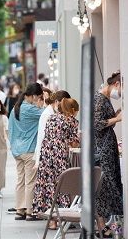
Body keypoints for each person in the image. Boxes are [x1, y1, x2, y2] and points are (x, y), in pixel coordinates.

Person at [32, 98, 80, 229]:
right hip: (59, 156)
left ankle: (51, 220)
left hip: (46, 155)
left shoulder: (51, 118)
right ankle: (60, 219)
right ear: (73, 110)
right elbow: (74, 142)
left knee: (48, 185)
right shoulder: (72, 121)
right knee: (61, 185)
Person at [8, 83, 44, 220]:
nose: (40, 99)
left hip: (17, 150)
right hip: (29, 150)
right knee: (30, 182)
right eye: (39, 97)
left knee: (20, 181)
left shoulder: (15, 109)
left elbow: (10, 130)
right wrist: (42, 105)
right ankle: (30, 211)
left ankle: (19, 210)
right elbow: (49, 113)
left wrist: (13, 146)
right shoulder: (31, 109)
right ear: (34, 95)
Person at [94, 70, 123, 238]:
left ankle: (110, 228)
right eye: (119, 91)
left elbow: (105, 124)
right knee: (107, 189)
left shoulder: (104, 99)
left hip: (108, 149)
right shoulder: (99, 100)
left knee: (112, 189)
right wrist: (117, 119)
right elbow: (98, 124)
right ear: (116, 85)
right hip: (103, 152)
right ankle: (104, 228)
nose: (118, 94)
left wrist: (115, 116)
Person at [33, 90, 71, 168]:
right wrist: (38, 161)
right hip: (47, 155)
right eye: (64, 104)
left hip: (56, 154)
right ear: (57, 102)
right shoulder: (47, 114)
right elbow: (41, 137)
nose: (64, 107)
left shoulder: (57, 113)